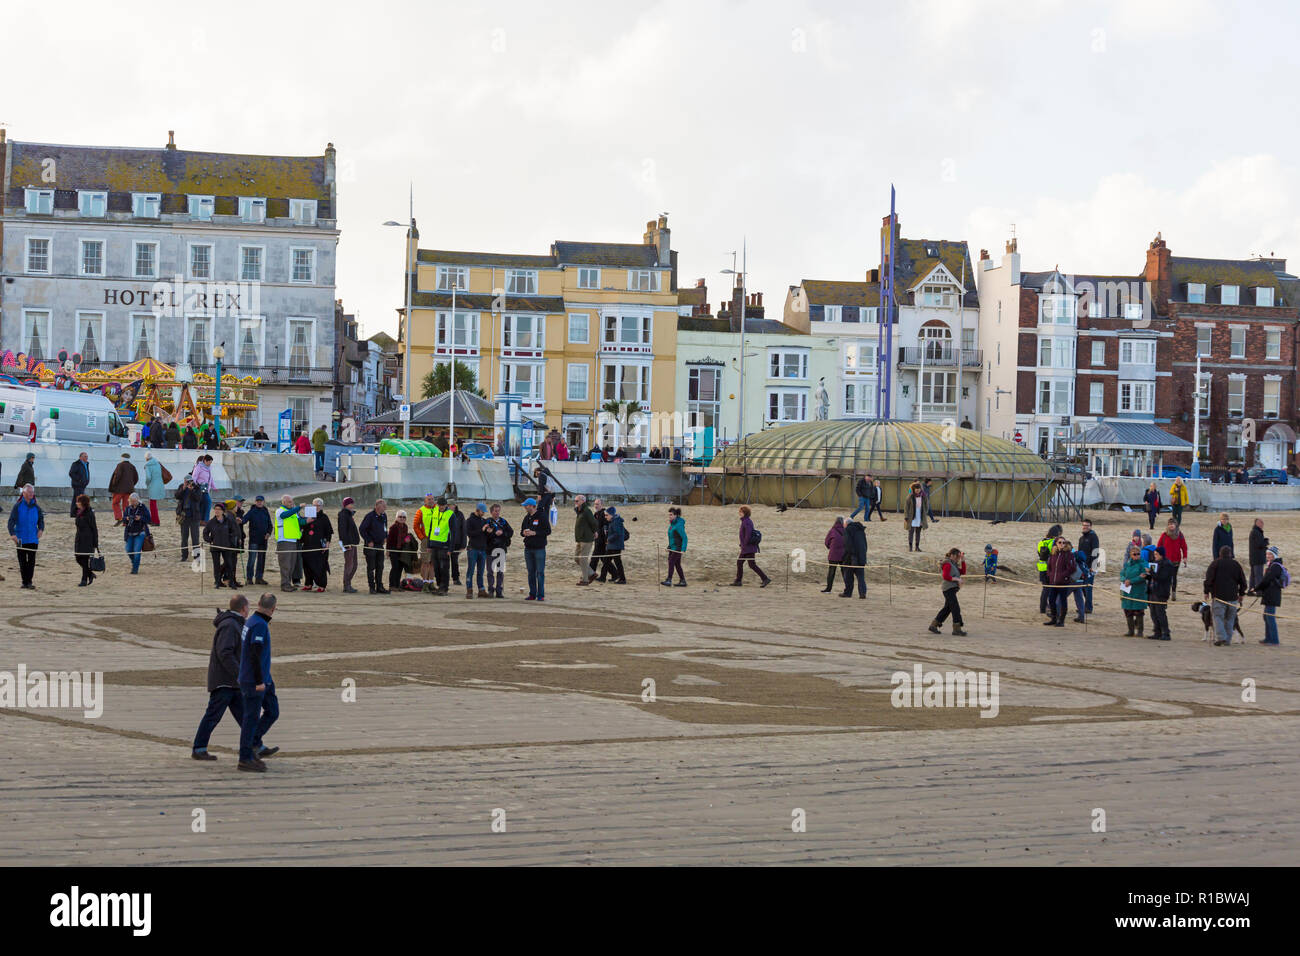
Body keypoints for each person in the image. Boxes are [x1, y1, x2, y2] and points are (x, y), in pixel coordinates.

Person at [191, 594, 248, 761]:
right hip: (225, 681)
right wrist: (239, 674)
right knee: (213, 715)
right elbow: (225, 652)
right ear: (243, 609)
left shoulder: (233, 623)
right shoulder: (230, 625)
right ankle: (199, 748)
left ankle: (255, 744)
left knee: (245, 716)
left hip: (231, 682)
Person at [237, 592, 281, 772]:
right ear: (274, 608)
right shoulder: (259, 625)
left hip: (264, 678)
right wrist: (258, 681)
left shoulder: (253, 621)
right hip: (254, 680)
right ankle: (245, 757)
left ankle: (254, 744)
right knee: (251, 719)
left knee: (272, 710)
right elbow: (254, 653)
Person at [1203, 545, 1247, 646]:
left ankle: (1221, 638)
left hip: (1219, 597)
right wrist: (1241, 594)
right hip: (1232, 597)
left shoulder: (1215, 564)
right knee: (1230, 619)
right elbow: (1243, 581)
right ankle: (1227, 640)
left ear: (1220, 554)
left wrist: (1206, 592)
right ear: (1230, 554)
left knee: (1218, 617)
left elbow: (1208, 579)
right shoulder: (1236, 564)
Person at [8, 484, 43, 589]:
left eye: (32, 492)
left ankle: (29, 582)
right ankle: (24, 582)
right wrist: (12, 534)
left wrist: (41, 529)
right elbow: (11, 522)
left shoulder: (36, 507)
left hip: (33, 539)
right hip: (19, 539)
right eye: (29, 492)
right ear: (24, 493)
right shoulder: (17, 506)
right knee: (22, 561)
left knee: (31, 562)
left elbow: (41, 520)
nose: (31, 494)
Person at [1249, 546, 1285, 646]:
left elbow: (1267, 580)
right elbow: (1266, 580)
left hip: (1273, 595)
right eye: (1267, 554)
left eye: (1270, 554)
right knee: (1266, 616)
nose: (1268, 556)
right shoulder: (1271, 565)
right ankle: (1268, 638)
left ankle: (1274, 640)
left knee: (1270, 617)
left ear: (1275, 555)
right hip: (1269, 594)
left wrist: (1256, 588)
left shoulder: (1275, 566)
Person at [928, 549, 967, 636]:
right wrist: (957, 579)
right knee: (955, 608)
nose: (958, 558)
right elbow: (945, 576)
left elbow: (963, 572)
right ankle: (957, 629)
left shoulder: (954, 564)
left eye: (959, 557)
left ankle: (933, 625)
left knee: (947, 608)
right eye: (957, 556)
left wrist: (963, 560)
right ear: (952, 555)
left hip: (952, 589)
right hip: (948, 589)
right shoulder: (947, 563)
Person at [520, 497, 551, 601]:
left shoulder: (542, 516)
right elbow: (521, 531)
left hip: (539, 549)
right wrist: (524, 533)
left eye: (526, 505)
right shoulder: (526, 517)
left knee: (540, 572)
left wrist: (535, 533)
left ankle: (540, 595)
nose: (524, 507)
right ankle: (532, 594)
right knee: (530, 572)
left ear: (532, 506)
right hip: (528, 548)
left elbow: (548, 531)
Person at [203, 502, 240, 587]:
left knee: (229, 564)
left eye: (219, 509)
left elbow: (234, 531)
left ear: (223, 511)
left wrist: (230, 541)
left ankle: (231, 582)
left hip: (226, 547)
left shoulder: (228, 521)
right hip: (215, 547)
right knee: (216, 565)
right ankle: (217, 582)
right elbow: (205, 533)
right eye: (215, 509)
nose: (217, 511)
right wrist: (210, 540)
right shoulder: (211, 522)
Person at [732, 505, 770, 587]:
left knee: (750, 564)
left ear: (744, 513)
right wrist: (742, 544)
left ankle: (765, 579)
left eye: (740, 511)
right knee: (741, 563)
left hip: (748, 548)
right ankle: (738, 581)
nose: (739, 513)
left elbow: (748, 534)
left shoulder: (747, 521)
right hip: (746, 547)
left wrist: (744, 544)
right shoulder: (745, 521)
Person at [1144, 546, 1174, 640]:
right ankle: (1157, 632)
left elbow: (1161, 578)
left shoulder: (1167, 564)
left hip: (1161, 592)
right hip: (1152, 590)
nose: (1155, 556)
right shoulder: (1155, 563)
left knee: (1160, 613)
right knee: (1153, 613)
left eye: (1156, 554)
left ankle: (1166, 633)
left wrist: (1151, 572)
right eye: (1154, 554)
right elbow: (1153, 577)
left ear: (1161, 554)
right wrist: (1146, 576)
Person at [1044, 537, 1076, 627]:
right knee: (1051, 600)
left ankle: (1061, 620)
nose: (1062, 544)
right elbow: (1049, 566)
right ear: (1056, 543)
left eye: (1064, 542)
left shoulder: (1068, 554)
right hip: (1053, 582)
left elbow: (1072, 568)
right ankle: (1054, 618)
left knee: (1062, 601)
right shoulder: (1053, 553)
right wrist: (1050, 575)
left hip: (1063, 582)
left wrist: (1063, 575)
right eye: (1060, 542)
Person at [360, 500, 389, 594]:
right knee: (371, 567)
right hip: (371, 546)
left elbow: (385, 527)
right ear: (377, 506)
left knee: (380, 566)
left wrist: (385, 537)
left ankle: (379, 586)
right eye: (383, 506)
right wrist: (368, 541)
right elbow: (362, 529)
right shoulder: (370, 516)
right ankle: (371, 587)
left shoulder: (384, 516)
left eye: (385, 506)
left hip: (380, 545)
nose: (385, 508)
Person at [275, 495, 303, 592]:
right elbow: (285, 515)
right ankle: (284, 584)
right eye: (289, 502)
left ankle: (288, 583)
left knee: (291, 564)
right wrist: (298, 507)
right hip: (284, 541)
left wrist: (308, 520)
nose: (291, 503)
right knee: (285, 564)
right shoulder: (280, 510)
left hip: (293, 541)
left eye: (292, 501)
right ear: (284, 502)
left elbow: (300, 522)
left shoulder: (294, 513)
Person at [1120, 543, 1148, 637]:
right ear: (1131, 555)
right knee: (1128, 611)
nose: (1136, 556)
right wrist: (1125, 580)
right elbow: (1122, 574)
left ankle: (1140, 631)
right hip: (1127, 591)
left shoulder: (1143, 563)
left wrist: (1131, 581)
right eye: (1134, 554)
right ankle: (1130, 630)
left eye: (1138, 554)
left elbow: (1143, 576)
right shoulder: (1127, 564)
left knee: (1139, 611)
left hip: (1138, 591)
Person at [1157, 519, 1189, 602]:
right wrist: (1157, 557)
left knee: (1173, 577)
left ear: (1176, 525)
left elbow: (1184, 547)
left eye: (1173, 524)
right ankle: (1166, 592)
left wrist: (1185, 557)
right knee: (1166, 577)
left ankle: (1174, 591)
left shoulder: (1180, 535)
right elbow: (1159, 546)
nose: (1171, 525)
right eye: (1170, 524)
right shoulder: (1164, 535)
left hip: (1176, 560)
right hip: (1165, 561)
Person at [243, 495, 272, 585]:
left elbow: (270, 525)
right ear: (255, 502)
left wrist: (268, 533)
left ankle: (259, 578)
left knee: (261, 560)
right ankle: (249, 578)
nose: (259, 502)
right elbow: (244, 520)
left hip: (263, 540)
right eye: (258, 501)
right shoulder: (252, 511)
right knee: (251, 559)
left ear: (263, 502)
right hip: (254, 540)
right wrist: (239, 520)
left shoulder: (265, 511)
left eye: (261, 501)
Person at [486, 503, 513, 598]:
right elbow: (485, 535)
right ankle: (490, 590)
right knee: (490, 572)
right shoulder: (487, 522)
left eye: (498, 511)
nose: (497, 513)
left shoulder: (503, 521)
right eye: (495, 511)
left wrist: (502, 533)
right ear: (491, 512)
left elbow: (511, 532)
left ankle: (499, 591)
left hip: (501, 549)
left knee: (500, 571)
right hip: (490, 550)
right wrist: (493, 533)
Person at [119, 492, 151, 574]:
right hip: (129, 532)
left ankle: (135, 569)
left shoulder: (142, 507)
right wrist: (126, 518)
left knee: (136, 551)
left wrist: (140, 518)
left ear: (138, 500)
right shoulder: (128, 508)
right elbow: (123, 519)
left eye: (134, 501)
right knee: (128, 550)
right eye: (131, 501)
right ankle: (135, 563)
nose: (133, 503)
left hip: (140, 533)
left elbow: (148, 519)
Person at [465, 502, 491, 598]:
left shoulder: (484, 521)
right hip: (473, 549)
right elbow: (470, 534)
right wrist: (482, 529)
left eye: (484, 512)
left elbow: (485, 535)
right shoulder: (469, 520)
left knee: (480, 571)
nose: (484, 513)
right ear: (477, 510)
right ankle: (469, 590)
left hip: (482, 549)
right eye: (482, 511)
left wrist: (488, 532)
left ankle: (481, 590)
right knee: (470, 570)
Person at [300, 506, 329, 592]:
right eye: (314, 505)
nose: (316, 507)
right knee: (306, 565)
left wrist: (327, 543)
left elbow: (328, 532)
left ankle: (321, 585)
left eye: (318, 505)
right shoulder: (308, 516)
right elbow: (302, 528)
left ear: (321, 506)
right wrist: (306, 521)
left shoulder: (324, 517)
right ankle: (308, 584)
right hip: (307, 544)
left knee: (319, 566)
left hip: (318, 545)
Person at [73, 494, 99, 587]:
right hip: (79, 538)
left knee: (84, 560)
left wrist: (95, 542)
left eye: (78, 502)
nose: (76, 503)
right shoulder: (79, 512)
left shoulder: (89, 513)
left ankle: (84, 580)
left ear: (82, 503)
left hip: (87, 540)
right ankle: (90, 574)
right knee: (78, 558)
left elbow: (94, 528)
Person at [1036, 524, 1062, 617]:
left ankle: (1042, 608)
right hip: (1051, 568)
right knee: (1051, 590)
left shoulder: (1041, 542)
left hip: (1042, 568)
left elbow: (1039, 553)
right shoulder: (1054, 542)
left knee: (1045, 590)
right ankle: (1051, 608)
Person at [598, 506, 627, 584]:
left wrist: (608, 539)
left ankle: (622, 579)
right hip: (611, 545)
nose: (605, 517)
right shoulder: (613, 521)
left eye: (607, 515)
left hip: (615, 545)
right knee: (606, 561)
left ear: (611, 515)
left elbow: (617, 533)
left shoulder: (616, 521)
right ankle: (603, 577)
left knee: (617, 562)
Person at [573, 495, 597, 586]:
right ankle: (591, 573)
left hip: (587, 538)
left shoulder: (587, 511)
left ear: (583, 501)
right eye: (575, 501)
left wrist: (595, 531)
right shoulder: (579, 511)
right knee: (576, 558)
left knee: (583, 559)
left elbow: (594, 522)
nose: (575, 502)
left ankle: (585, 580)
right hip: (580, 538)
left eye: (577, 501)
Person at [840, 517, 867, 599]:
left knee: (848, 576)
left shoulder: (847, 530)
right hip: (861, 555)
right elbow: (865, 544)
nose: (843, 526)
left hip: (851, 556)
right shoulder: (861, 530)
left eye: (844, 524)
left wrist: (848, 555)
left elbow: (848, 544)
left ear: (847, 524)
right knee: (860, 576)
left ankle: (848, 593)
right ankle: (862, 593)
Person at [338, 497, 360, 593]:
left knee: (354, 565)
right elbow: (342, 530)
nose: (352, 505)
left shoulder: (349, 514)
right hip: (348, 544)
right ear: (346, 505)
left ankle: (348, 583)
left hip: (353, 543)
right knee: (350, 565)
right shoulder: (343, 515)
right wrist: (346, 544)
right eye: (350, 503)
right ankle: (346, 585)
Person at [1077, 519, 1100, 614]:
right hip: (1082, 567)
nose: (1085, 527)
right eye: (1083, 525)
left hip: (1090, 567)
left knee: (1088, 587)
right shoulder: (1081, 538)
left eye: (1087, 525)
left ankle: (1088, 608)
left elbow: (1095, 552)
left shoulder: (1093, 537)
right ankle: (1083, 606)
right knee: (1082, 587)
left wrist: (1093, 566)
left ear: (1090, 526)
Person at [108, 452, 138, 523]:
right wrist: (131, 485)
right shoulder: (132, 466)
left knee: (115, 503)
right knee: (126, 505)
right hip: (129, 489)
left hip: (119, 489)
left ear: (122, 458)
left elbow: (117, 477)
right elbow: (136, 478)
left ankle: (119, 518)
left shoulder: (120, 465)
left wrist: (114, 485)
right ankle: (126, 520)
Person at [822, 516, 846, 593]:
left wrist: (831, 548)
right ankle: (848, 588)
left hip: (833, 554)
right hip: (843, 555)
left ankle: (828, 589)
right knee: (844, 572)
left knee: (831, 572)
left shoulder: (832, 530)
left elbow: (826, 542)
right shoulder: (846, 531)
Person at [664, 507, 687, 587]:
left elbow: (684, 537)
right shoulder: (672, 525)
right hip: (672, 548)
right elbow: (672, 538)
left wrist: (683, 549)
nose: (669, 516)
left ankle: (669, 580)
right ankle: (683, 581)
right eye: (669, 515)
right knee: (677, 564)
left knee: (671, 562)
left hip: (678, 548)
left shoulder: (678, 525)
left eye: (671, 515)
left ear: (675, 515)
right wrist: (669, 546)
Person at [143, 452, 166, 526]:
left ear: (146, 458)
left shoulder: (147, 465)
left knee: (152, 504)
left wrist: (147, 483)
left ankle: (155, 521)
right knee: (154, 504)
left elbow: (148, 477)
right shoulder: (157, 463)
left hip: (152, 485)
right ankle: (155, 520)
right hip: (160, 484)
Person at [904, 482, 927, 552]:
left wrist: (925, 512)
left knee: (918, 532)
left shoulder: (923, 496)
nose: (917, 490)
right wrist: (906, 516)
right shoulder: (910, 496)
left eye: (918, 489)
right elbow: (906, 507)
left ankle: (917, 547)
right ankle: (910, 547)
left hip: (920, 515)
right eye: (916, 489)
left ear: (920, 489)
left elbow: (926, 505)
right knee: (911, 532)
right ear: (913, 489)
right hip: (912, 516)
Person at [448, 502, 466, 587]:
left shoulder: (460, 515)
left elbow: (464, 529)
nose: (450, 506)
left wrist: (463, 544)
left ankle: (456, 578)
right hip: (446, 542)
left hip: (456, 542)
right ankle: (445, 579)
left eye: (451, 504)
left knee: (455, 561)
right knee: (445, 562)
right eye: (448, 504)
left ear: (455, 505)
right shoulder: (444, 514)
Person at [191, 455, 213, 522]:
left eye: (211, 462)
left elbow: (210, 478)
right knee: (208, 502)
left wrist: (213, 486)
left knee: (203, 504)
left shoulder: (208, 468)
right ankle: (205, 520)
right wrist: (193, 486)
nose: (210, 463)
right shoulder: (198, 467)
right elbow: (194, 477)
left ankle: (201, 520)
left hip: (206, 488)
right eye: (209, 462)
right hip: (200, 487)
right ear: (205, 461)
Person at [589, 497, 607, 578]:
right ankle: (615, 574)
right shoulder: (596, 514)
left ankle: (590, 574)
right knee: (603, 559)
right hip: (597, 539)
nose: (595, 506)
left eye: (597, 504)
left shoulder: (604, 514)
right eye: (595, 504)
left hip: (602, 540)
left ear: (602, 505)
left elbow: (604, 528)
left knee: (594, 558)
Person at [68, 452, 90, 518]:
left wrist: (86, 481)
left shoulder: (86, 464)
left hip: (83, 485)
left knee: (76, 499)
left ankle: (74, 513)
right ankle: (76, 513)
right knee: (79, 499)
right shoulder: (76, 464)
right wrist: (79, 480)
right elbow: (71, 473)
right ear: (80, 457)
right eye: (84, 456)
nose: (86, 458)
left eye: (87, 456)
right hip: (77, 485)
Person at [1248, 518, 1268, 589]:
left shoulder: (1256, 531)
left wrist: (1264, 542)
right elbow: (1259, 545)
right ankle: (1259, 591)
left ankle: (1251, 590)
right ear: (1257, 523)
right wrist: (1266, 542)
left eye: (1263, 522)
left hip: (1254, 557)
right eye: (1261, 522)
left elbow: (1258, 544)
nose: (1263, 524)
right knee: (1258, 575)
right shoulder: (1256, 532)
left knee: (1253, 575)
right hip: (1258, 558)